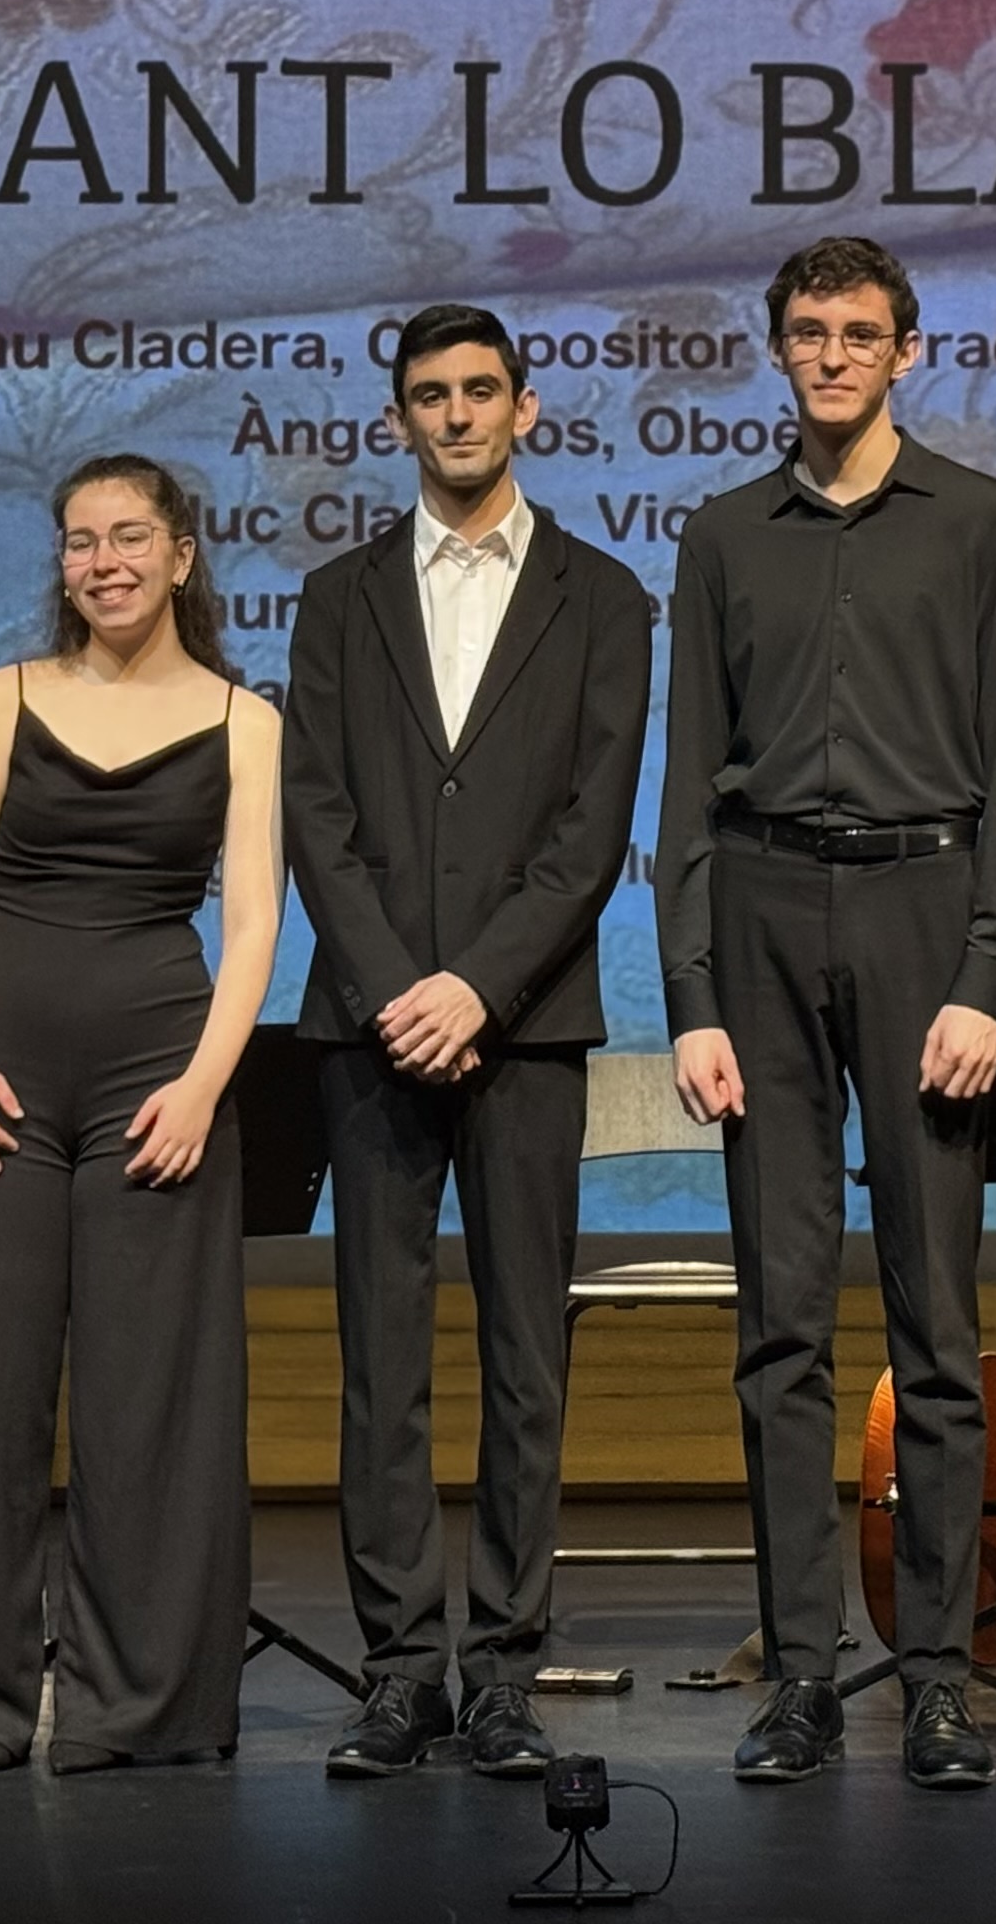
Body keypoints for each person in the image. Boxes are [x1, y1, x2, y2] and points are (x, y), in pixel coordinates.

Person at [657, 234, 996, 1792]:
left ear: (906, 350)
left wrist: (986, 977)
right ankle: (801, 1676)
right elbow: (685, 777)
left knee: (937, 1330)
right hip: (758, 918)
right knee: (780, 1328)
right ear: (778, 350)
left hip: (923, 912)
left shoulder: (982, 524)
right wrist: (689, 996)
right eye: (806, 333)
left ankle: (935, 1678)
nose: (830, 355)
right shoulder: (721, 534)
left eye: (857, 333)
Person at [284, 303, 655, 1780]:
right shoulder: (335, 593)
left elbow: (590, 830)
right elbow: (315, 806)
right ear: (396, 422)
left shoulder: (604, 593)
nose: (455, 415)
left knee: (521, 1360)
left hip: (528, 1025)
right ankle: (396, 1669)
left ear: (527, 407)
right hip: (369, 1029)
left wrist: (476, 988)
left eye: (478, 391)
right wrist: (395, 987)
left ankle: (499, 1664)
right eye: (428, 396)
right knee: (380, 1362)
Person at [0, 455, 282, 1772]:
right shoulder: (5, 698)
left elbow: (258, 920)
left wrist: (202, 1087)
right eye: (78, 542)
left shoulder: (243, 721)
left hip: (156, 1081)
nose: (101, 561)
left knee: (149, 1402)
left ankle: (141, 1708)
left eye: (127, 538)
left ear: (179, 556)